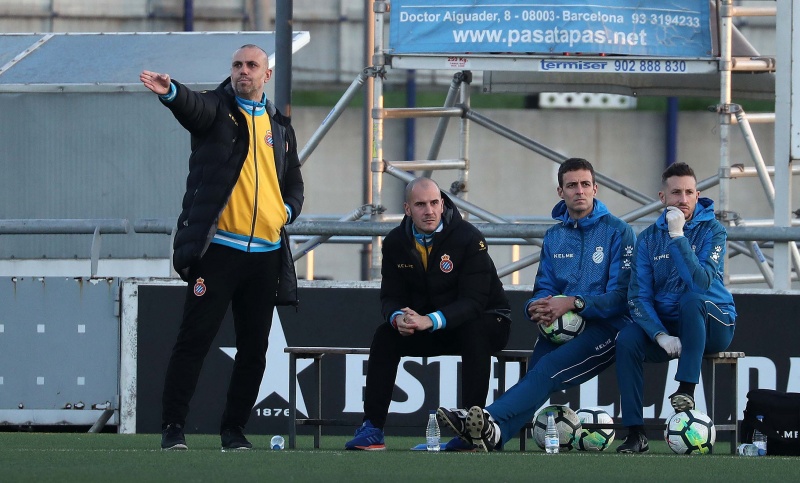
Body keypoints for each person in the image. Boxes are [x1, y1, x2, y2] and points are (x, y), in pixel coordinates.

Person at [139, 44, 304, 451]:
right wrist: (172, 92)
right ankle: (173, 427)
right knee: (193, 340)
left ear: (266, 74)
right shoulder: (217, 110)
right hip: (219, 252)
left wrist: (283, 211)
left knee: (255, 350)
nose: (243, 70)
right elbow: (193, 108)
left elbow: (294, 181)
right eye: (237, 65)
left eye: (252, 65)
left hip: (265, 255)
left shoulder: (280, 126)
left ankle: (234, 430)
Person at [437, 158, 636, 452]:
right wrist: (535, 307)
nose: (579, 191)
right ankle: (493, 436)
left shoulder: (619, 232)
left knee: (547, 370)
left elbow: (621, 297)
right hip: (562, 326)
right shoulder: (555, 236)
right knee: (537, 375)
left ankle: (483, 419)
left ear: (595, 188)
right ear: (561, 191)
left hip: (608, 327)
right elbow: (544, 287)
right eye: (572, 185)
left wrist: (574, 302)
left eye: (585, 184)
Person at [344, 177, 512, 451]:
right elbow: (390, 297)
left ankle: (472, 432)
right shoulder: (396, 242)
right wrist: (398, 317)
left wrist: (429, 320)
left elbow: (474, 302)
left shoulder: (469, 237)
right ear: (407, 209)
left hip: (489, 320)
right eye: (421, 205)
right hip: (436, 326)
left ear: (443, 204)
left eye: (434, 203)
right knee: (386, 335)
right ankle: (372, 428)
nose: (429, 211)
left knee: (475, 329)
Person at [615, 162, 736, 453]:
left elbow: (700, 284)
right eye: (676, 193)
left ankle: (686, 390)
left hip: (714, 323)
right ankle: (635, 433)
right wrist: (659, 335)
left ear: (697, 195)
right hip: (670, 329)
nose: (683, 199)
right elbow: (638, 296)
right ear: (662, 197)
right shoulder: (647, 238)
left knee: (691, 300)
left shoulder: (714, 230)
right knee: (627, 339)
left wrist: (678, 236)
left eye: (689, 192)